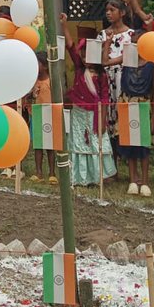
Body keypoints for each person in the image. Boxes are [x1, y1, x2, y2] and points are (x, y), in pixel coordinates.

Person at [59, 17, 115, 187]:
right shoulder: (79, 68)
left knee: (96, 142)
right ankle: (81, 177)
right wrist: (64, 26)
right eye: (82, 54)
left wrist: (103, 118)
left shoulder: (102, 75)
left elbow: (105, 98)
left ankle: (100, 176)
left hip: (95, 114)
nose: (84, 57)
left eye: (87, 54)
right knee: (79, 142)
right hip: (79, 112)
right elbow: (70, 47)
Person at [97, 0, 135, 178]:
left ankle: (129, 163)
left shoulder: (131, 35)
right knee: (108, 122)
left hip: (124, 83)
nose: (108, 14)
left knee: (124, 121)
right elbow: (99, 62)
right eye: (107, 11)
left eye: (112, 10)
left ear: (122, 12)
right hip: (107, 84)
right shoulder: (102, 34)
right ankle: (112, 166)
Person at [116, 30, 154, 197]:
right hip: (127, 102)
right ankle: (133, 180)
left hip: (144, 104)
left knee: (143, 145)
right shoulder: (127, 63)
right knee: (130, 143)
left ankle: (145, 182)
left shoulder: (152, 65)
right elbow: (104, 62)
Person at [26, 57, 57, 184]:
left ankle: (52, 172)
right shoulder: (34, 81)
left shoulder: (51, 81)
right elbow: (28, 97)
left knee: (50, 145)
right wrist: (32, 95)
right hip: (36, 114)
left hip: (49, 114)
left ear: (45, 66)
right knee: (38, 145)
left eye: (38, 63)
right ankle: (38, 172)